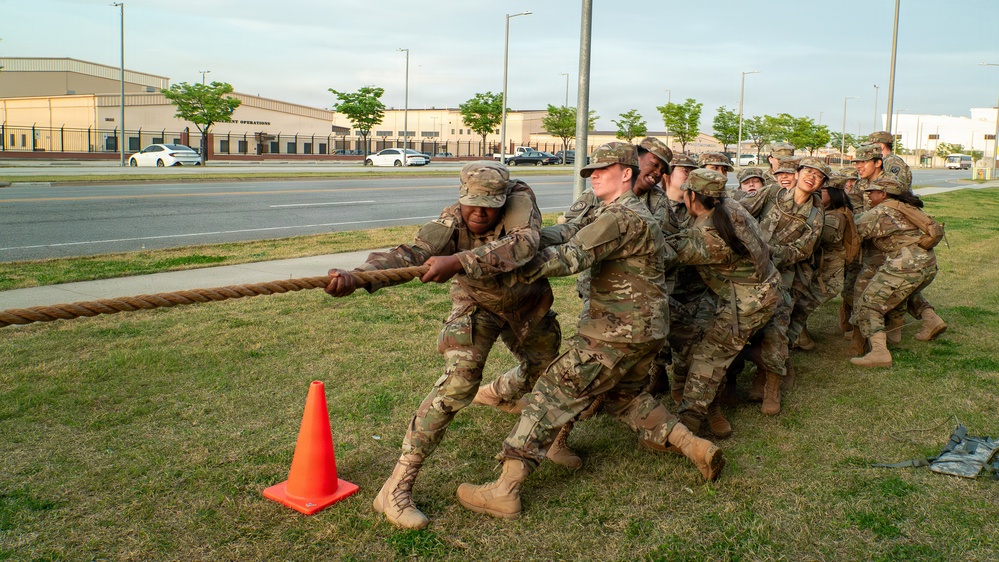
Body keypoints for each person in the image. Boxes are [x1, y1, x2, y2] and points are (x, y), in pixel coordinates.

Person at [456, 143, 724, 521]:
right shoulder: (617, 211)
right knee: (627, 400)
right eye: (590, 171)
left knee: (549, 395)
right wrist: (525, 238)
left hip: (616, 332)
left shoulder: (621, 217)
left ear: (626, 173)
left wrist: (480, 263)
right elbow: (568, 231)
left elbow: (568, 257)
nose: (593, 175)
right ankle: (694, 446)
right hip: (645, 331)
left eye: (602, 170)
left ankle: (506, 490)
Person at [324, 161, 560, 530]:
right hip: (477, 305)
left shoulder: (520, 201)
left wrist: (458, 260)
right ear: (460, 196)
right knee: (458, 384)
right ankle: (396, 487)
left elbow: (524, 244)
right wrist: (360, 276)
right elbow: (412, 253)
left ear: (503, 198)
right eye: (472, 202)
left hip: (526, 304)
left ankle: (500, 392)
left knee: (546, 369)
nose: (479, 211)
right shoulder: (452, 219)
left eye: (489, 203)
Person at [671, 169, 780, 437]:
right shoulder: (729, 206)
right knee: (707, 343)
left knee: (709, 356)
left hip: (748, 302)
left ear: (692, 195)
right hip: (753, 290)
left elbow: (665, 253)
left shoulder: (709, 236)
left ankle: (691, 420)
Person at [738, 156, 826, 414]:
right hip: (748, 272)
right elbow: (742, 213)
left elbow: (803, 250)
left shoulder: (815, 214)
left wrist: (767, 252)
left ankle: (771, 387)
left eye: (818, 176)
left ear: (820, 184)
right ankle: (734, 381)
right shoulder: (771, 193)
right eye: (807, 171)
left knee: (777, 330)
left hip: (781, 276)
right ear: (796, 174)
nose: (811, 177)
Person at [849, 176, 943, 367]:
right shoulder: (906, 207)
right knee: (899, 294)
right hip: (926, 264)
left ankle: (879, 352)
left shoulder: (882, 211)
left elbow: (853, 230)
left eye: (871, 192)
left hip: (905, 265)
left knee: (868, 305)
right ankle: (930, 320)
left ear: (883, 194)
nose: (868, 196)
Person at [788, 174, 858, 351]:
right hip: (822, 274)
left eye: (822, 191)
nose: (817, 193)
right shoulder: (832, 212)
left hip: (826, 277)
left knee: (798, 307)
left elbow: (817, 240)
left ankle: (799, 339)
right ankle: (800, 338)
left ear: (833, 193)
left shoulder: (834, 218)